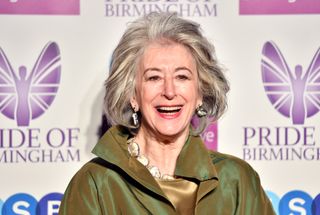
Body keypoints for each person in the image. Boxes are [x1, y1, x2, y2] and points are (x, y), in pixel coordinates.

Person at [59, 12, 275, 215]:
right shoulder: (95, 183)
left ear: (200, 92)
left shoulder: (237, 180)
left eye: (182, 77)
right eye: (154, 78)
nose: (169, 92)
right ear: (132, 94)